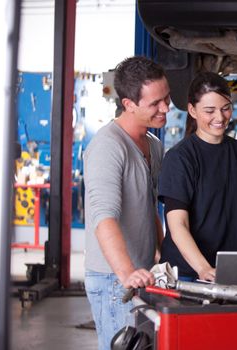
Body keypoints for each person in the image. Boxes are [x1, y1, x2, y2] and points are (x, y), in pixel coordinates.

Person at [83, 56, 169, 350]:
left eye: (167, 98)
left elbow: (149, 206)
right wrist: (126, 274)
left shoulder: (154, 146)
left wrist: (162, 253)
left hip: (141, 275)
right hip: (114, 281)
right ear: (129, 104)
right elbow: (103, 217)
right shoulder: (108, 147)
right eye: (155, 103)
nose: (166, 108)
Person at [159, 72, 237, 281]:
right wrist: (203, 268)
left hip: (235, 272)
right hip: (189, 275)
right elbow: (177, 224)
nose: (219, 117)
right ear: (192, 110)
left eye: (225, 108)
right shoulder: (179, 158)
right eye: (209, 111)